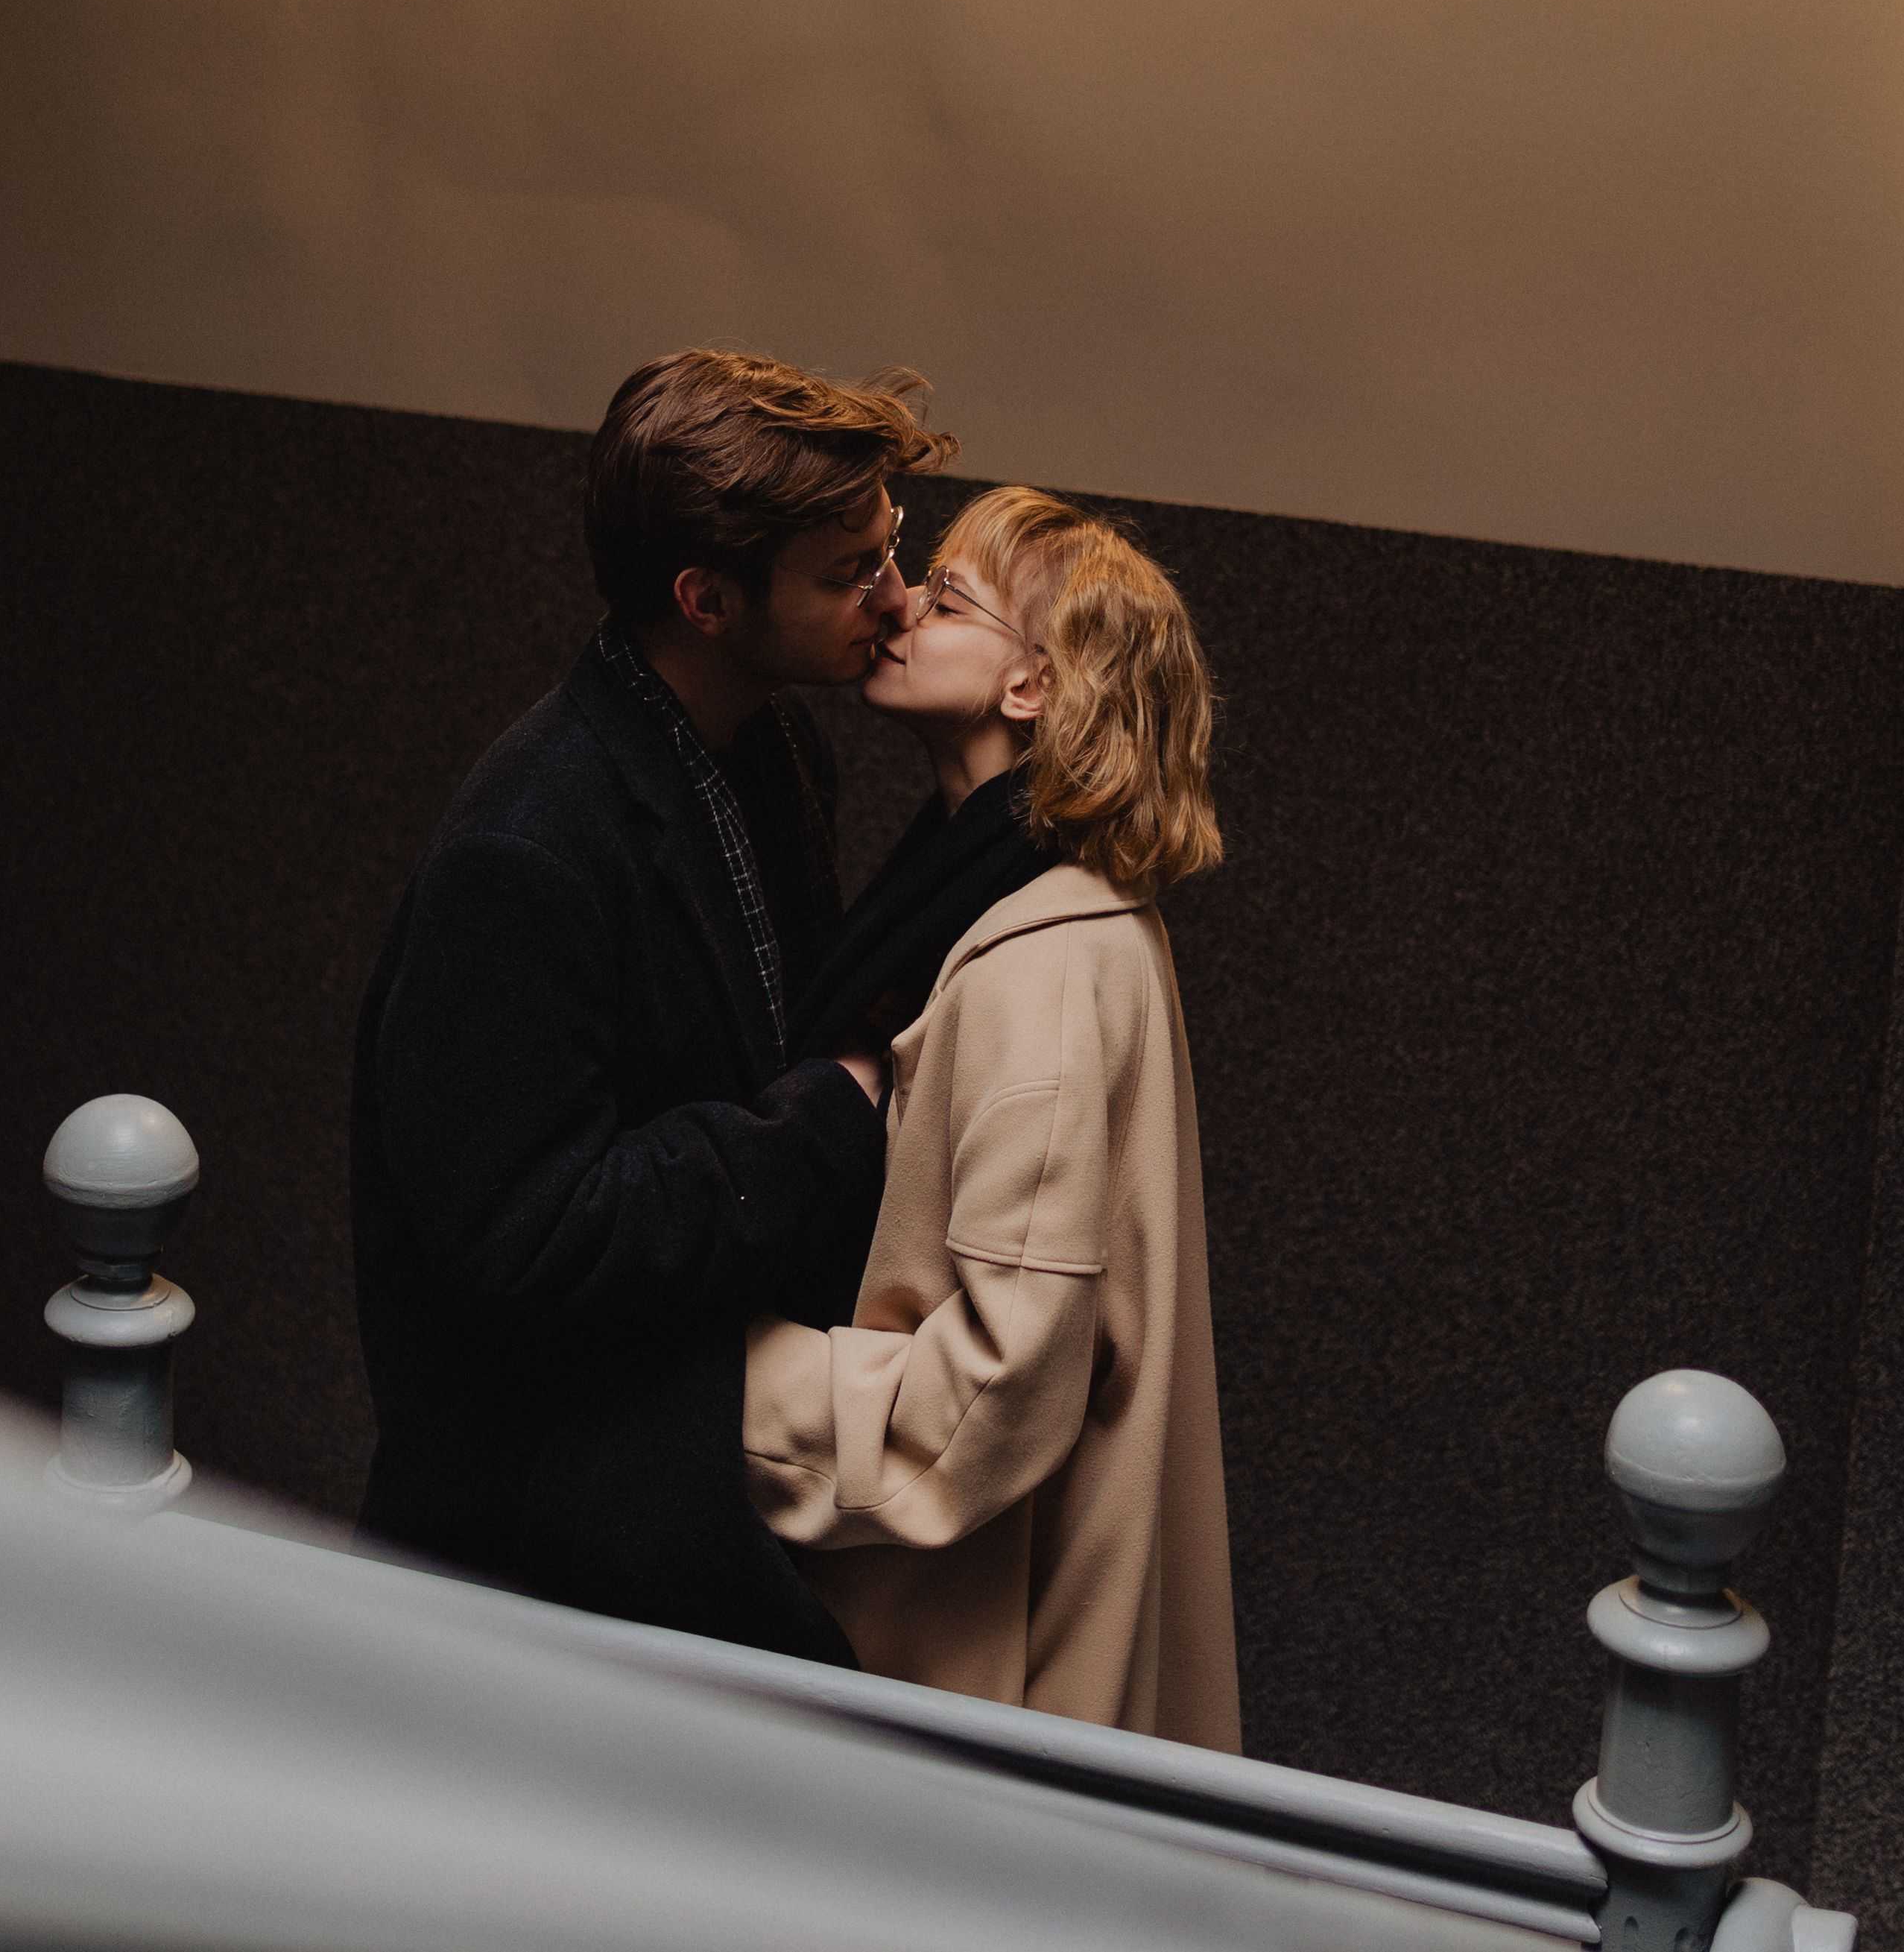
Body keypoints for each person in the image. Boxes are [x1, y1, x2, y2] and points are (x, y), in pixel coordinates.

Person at [350, 349, 954, 1659]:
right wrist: (833, 1110)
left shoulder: (778, 744)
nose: (897, 598)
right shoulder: (522, 852)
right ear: (706, 598)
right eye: (850, 572)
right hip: (538, 1558)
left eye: (890, 547)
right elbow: (525, 1237)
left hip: (700, 1446)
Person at [743, 486, 1240, 1747]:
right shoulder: (1021, 905)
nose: (899, 601)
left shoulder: (1038, 957)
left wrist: (715, 1386)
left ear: (1031, 686)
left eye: (949, 597)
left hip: (973, 1677)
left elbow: (990, 1392)